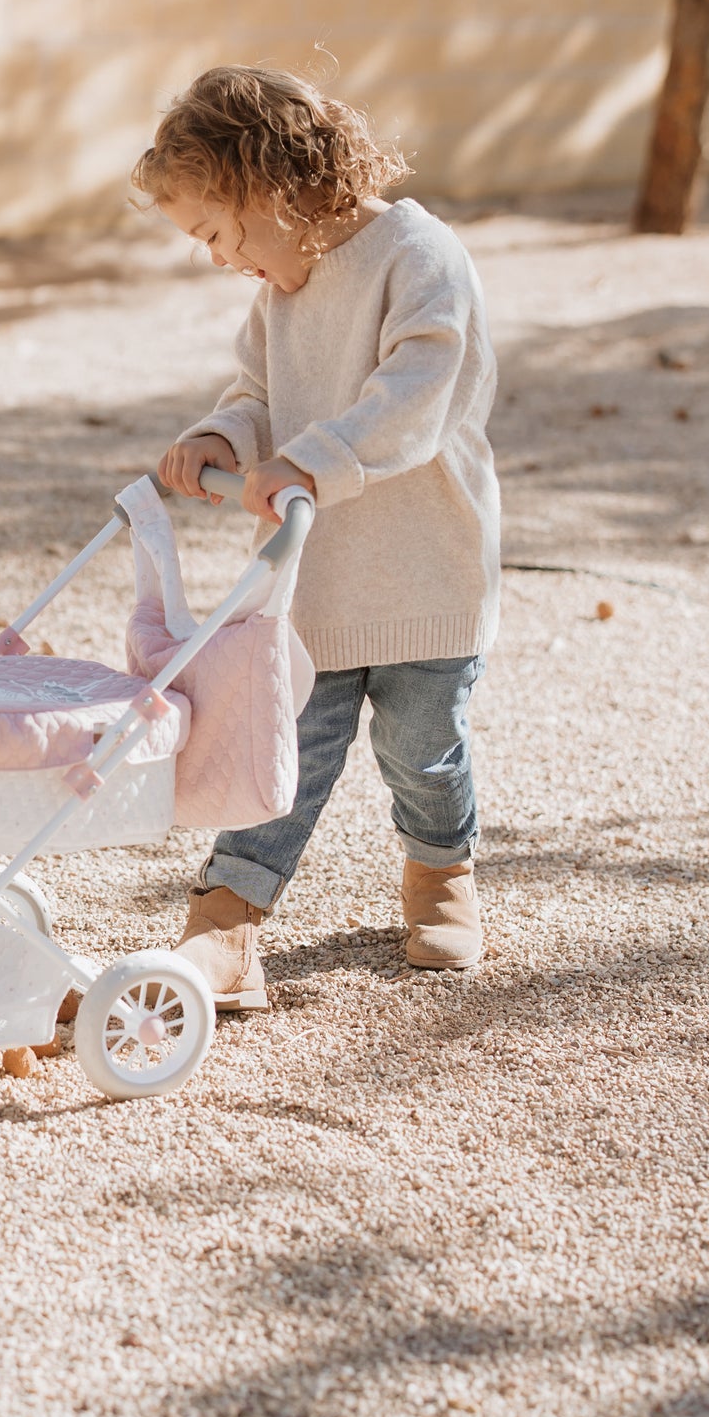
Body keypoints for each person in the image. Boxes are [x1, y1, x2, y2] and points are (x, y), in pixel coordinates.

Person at [139, 65, 500, 999]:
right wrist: (225, 432)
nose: (219, 258)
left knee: (422, 750)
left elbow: (415, 393)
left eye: (216, 232)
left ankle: (440, 876)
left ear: (269, 187)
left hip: (426, 571)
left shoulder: (420, 257)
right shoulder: (280, 289)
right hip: (318, 580)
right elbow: (259, 392)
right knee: (282, 744)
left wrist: (311, 459)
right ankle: (225, 919)